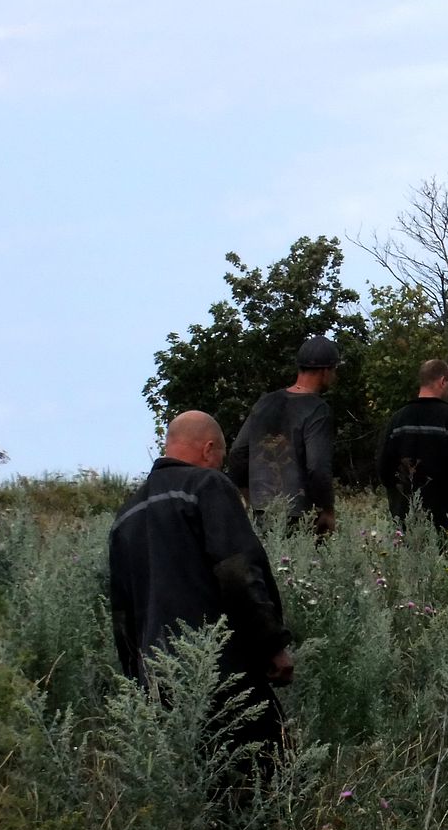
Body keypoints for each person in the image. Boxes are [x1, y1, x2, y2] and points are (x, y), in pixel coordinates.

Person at [108, 411, 293, 797]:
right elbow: (238, 573)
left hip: (161, 681)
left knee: (196, 794)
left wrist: (138, 681)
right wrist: (271, 645)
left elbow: (122, 613)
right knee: (269, 780)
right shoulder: (207, 486)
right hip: (220, 668)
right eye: (222, 455)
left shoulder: (126, 515)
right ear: (209, 449)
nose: (221, 464)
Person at [228, 335, 340, 537]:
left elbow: (237, 453)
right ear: (325, 371)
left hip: (261, 511)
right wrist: (327, 510)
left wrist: (247, 495)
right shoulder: (317, 409)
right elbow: (317, 467)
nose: (335, 377)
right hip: (300, 514)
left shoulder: (264, 403)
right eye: (334, 370)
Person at [377, 359, 448, 531]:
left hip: (407, 518)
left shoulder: (398, 420)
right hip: (447, 519)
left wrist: (399, 501)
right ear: (442, 381)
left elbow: (384, 468)